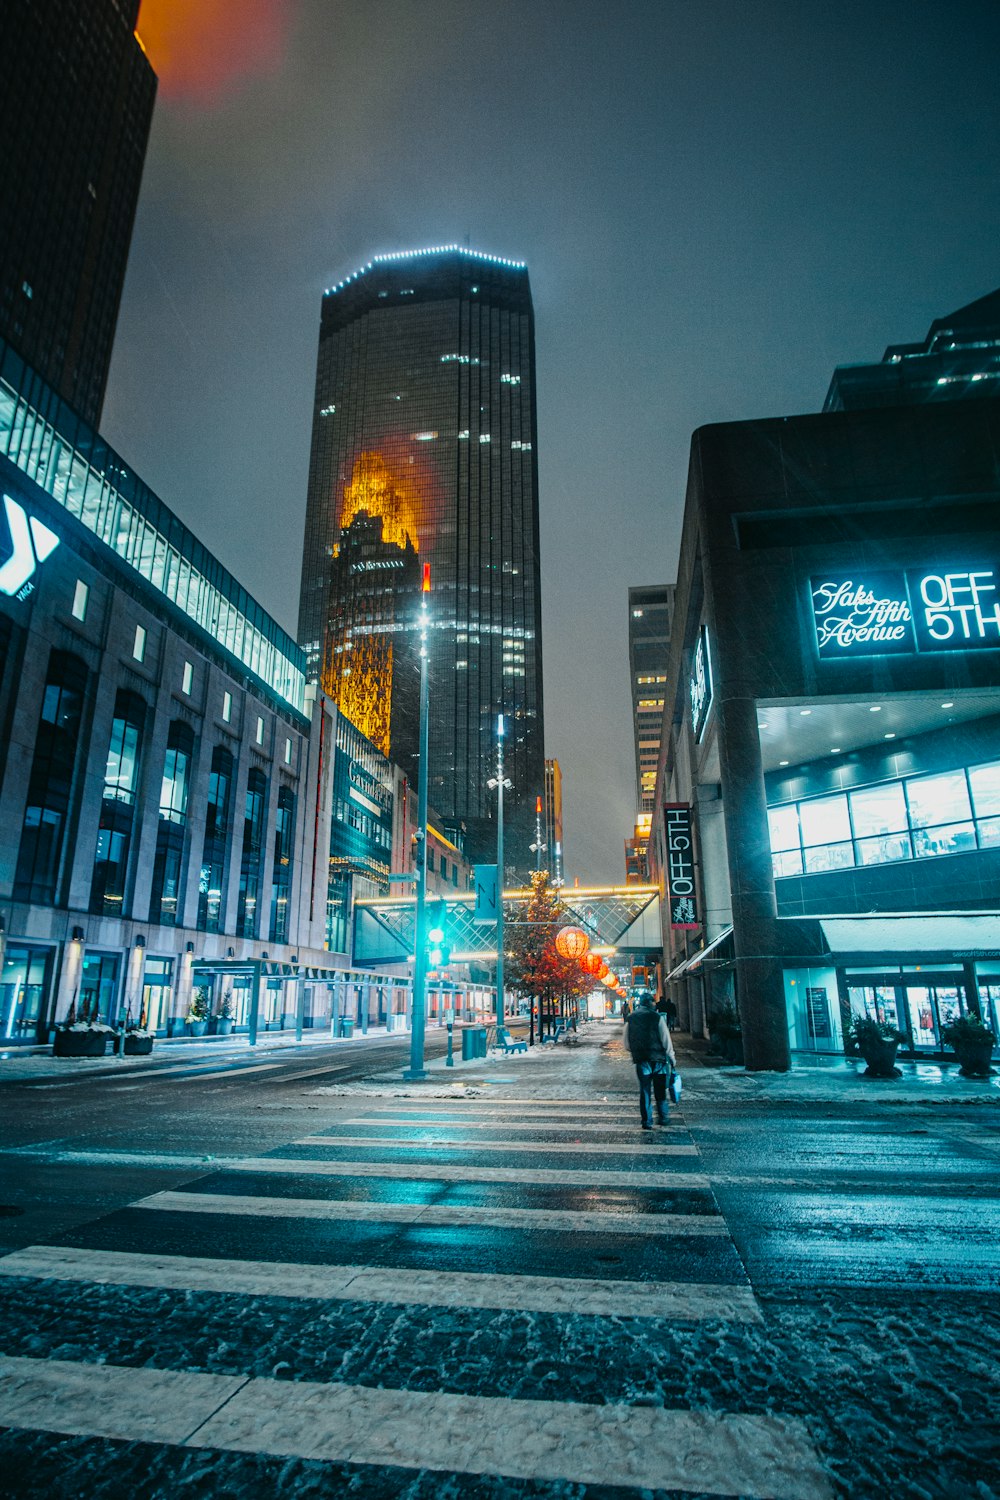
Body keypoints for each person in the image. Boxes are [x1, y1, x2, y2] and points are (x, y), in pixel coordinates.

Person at [623, 993, 677, 1129]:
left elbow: (626, 1044)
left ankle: (646, 1121)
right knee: (660, 1090)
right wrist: (671, 1057)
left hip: (642, 1060)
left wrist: (636, 1051)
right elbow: (666, 1040)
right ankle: (663, 1117)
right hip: (659, 1060)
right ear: (651, 1004)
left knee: (645, 1090)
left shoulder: (631, 1018)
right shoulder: (656, 1017)